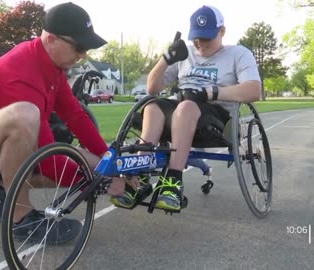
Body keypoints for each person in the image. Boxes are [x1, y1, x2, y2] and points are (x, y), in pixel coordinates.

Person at [0, 2, 124, 244]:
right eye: (79, 47)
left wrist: (111, 163)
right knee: (26, 115)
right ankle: (20, 219)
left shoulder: (53, 68)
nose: (83, 55)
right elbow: (48, 162)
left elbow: (76, 116)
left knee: (89, 161)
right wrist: (96, 183)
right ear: (50, 39)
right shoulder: (21, 72)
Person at [110, 5, 261, 211]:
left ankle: (173, 183)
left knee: (186, 107)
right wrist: (165, 58)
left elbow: (254, 90)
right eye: (196, 38)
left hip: (214, 114)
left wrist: (211, 92)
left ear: (222, 31)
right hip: (181, 107)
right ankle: (141, 178)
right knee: (152, 107)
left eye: (206, 39)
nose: (200, 44)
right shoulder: (185, 54)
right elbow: (152, 88)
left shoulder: (238, 54)